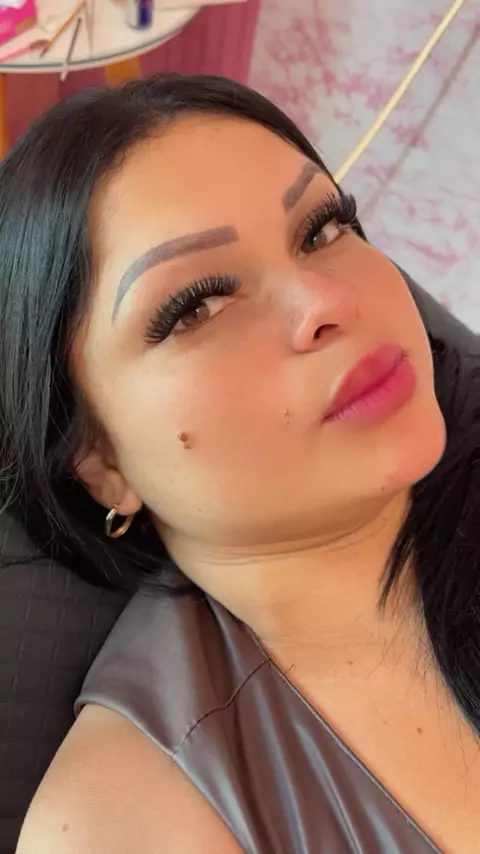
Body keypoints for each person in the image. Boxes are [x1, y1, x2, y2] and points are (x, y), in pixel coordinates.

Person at [1, 73, 478, 854]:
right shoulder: (119, 823)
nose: (325, 300)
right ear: (98, 461)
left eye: (322, 229)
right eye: (196, 306)